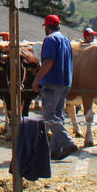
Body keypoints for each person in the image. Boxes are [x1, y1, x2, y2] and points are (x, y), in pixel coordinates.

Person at [34, 14, 78, 159]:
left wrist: (37, 79)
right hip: (65, 81)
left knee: (49, 116)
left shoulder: (50, 39)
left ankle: (68, 143)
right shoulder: (65, 40)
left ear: (47, 27)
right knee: (58, 115)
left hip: (52, 82)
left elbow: (48, 63)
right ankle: (55, 150)